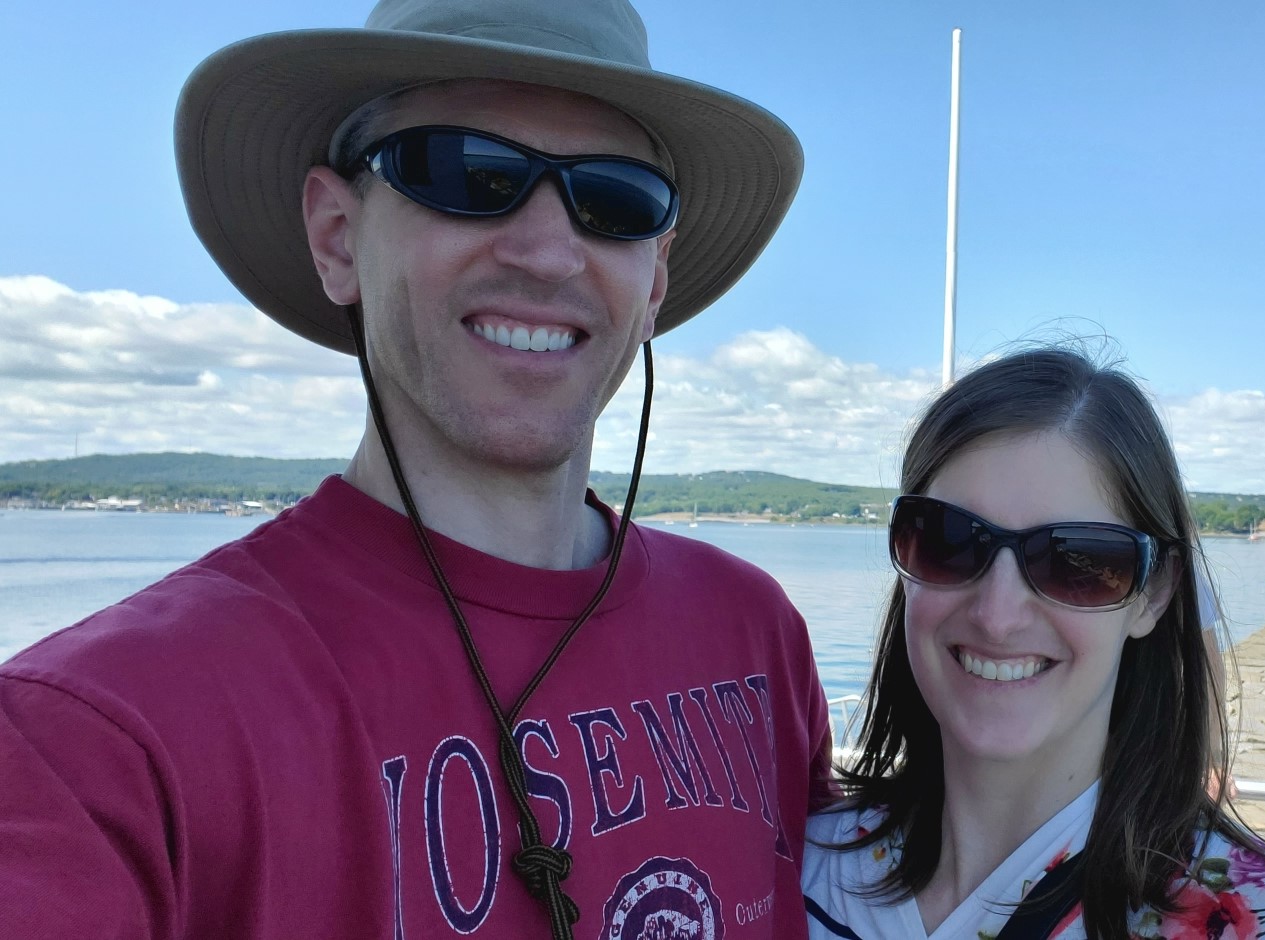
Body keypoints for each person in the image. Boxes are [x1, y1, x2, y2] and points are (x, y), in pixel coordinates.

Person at [0, 1, 833, 937]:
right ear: (337, 236)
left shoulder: (755, 633)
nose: (548, 251)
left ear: (656, 280)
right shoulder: (100, 741)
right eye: (467, 173)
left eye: (616, 199)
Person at [802, 347, 1265, 939]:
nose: (998, 616)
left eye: (1077, 561)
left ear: (1153, 594)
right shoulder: (783, 868)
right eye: (948, 541)